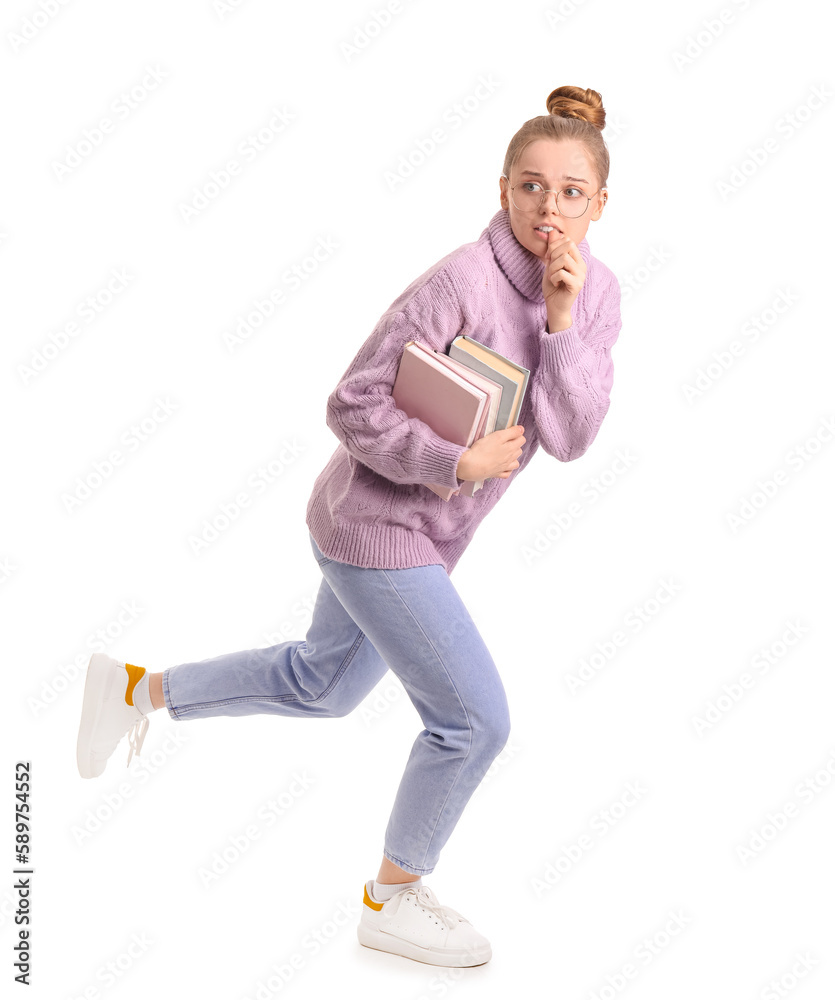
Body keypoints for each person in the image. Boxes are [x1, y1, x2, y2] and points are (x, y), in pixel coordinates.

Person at [76, 83, 623, 969]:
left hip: (427, 539)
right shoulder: (459, 281)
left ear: (599, 204)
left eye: (569, 192)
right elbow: (352, 401)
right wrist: (456, 464)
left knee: (319, 683)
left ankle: (136, 690)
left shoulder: (593, 299)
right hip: (373, 523)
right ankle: (392, 896)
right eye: (529, 186)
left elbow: (569, 436)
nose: (547, 210)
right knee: (474, 721)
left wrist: (561, 324)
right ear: (501, 190)